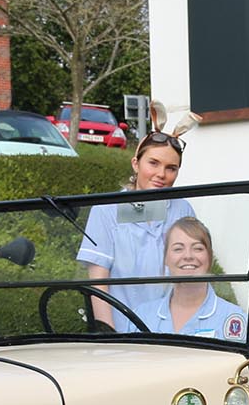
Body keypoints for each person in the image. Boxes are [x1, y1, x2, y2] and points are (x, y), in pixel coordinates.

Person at [76, 116, 198, 332]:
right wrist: (108, 334)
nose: (161, 174)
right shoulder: (106, 211)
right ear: (136, 163)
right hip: (124, 335)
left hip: (173, 334)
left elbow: (191, 275)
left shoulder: (183, 210)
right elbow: (98, 283)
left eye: (171, 168)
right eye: (153, 163)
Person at [134, 217, 247, 340]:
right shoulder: (141, 316)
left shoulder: (233, 318)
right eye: (178, 249)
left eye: (197, 248)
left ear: (209, 257)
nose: (188, 256)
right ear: (165, 258)